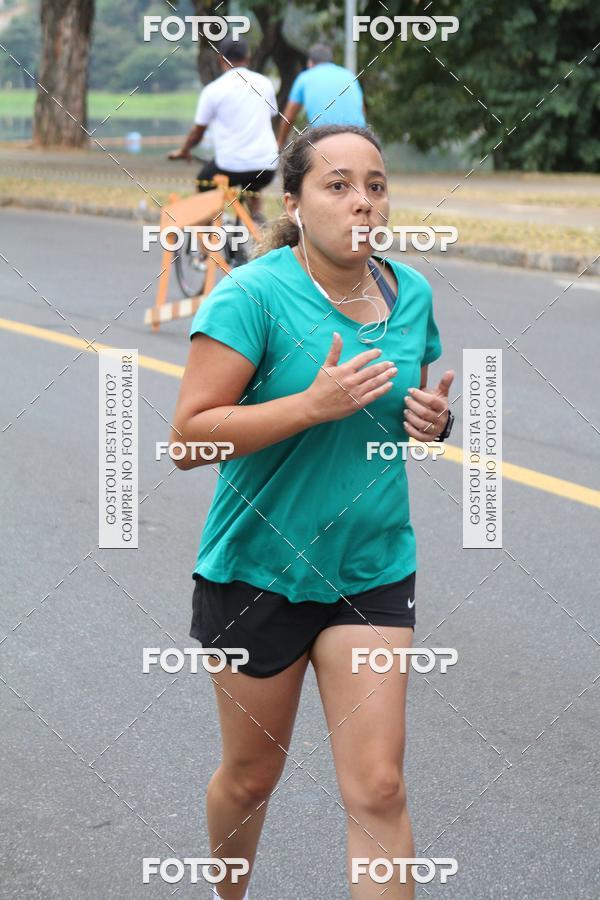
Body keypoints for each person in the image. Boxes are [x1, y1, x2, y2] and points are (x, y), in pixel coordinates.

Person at [170, 124, 455, 900]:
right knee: (250, 778)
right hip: (257, 572)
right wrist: (308, 406)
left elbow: (403, 407)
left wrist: (431, 422)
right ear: (293, 203)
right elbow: (188, 440)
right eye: (338, 185)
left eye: (376, 185)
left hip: (370, 567)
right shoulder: (250, 297)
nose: (363, 201)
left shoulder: (410, 294)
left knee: (380, 787)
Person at [168, 37, 278, 216]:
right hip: (266, 166)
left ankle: (214, 226)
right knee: (253, 187)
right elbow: (271, 116)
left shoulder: (213, 90)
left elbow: (197, 133)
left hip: (230, 167)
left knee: (203, 182)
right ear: (248, 57)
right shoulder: (265, 84)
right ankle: (257, 220)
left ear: (220, 58)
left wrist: (184, 150)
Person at [277, 43, 367, 149]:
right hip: (359, 138)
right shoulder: (349, 75)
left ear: (310, 63)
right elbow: (362, 111)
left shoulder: (304, 78)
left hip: (326, 140)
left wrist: (280, 144)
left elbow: (289, 117)